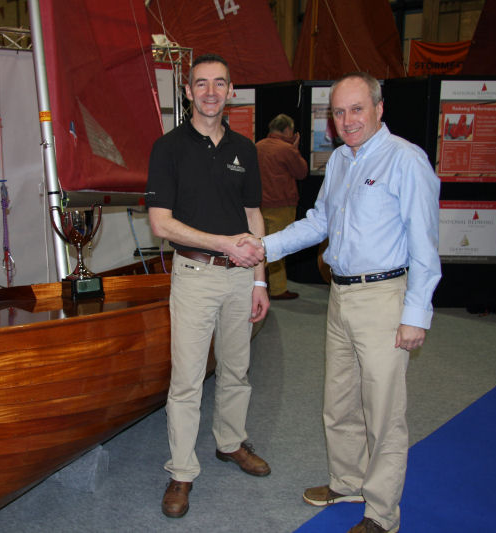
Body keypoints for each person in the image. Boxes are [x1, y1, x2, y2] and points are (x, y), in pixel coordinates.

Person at [245, 72, 441, 533]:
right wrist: (264, 247)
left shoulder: (405, 160)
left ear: (378, 108)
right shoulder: (340, 162)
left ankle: (381, 515)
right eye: (339, 112)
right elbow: (318, 222)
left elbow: (425, 247)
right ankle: (348, 481)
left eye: (357, 109)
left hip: (385, 298)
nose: (348, 120)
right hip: (341, 295)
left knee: (384, 413)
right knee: (340, 402)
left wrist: (415, 315)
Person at [145, 53, 271, 519]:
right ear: (187, 92)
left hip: (242, 278)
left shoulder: (246, 149)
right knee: (187, 381)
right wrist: (223, 243)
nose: (211, 92)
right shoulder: (168, 147)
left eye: (220, 83)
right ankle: (181, 470)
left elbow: (254, 215)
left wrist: (260, 278)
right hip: (195, 276)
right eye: (201, 84)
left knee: (237, 370)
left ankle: (231, 443)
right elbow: (161, 223)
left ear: (232, 90)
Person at [256, 113, 308, 300]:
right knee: (278, 247)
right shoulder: (286, 149)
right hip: (282, 205)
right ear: (287, 130)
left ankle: (259, 284)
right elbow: (302, 172)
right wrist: (295, 148)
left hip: (259, 206)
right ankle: (277, 289)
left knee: (261, 246)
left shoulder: (257, 147)